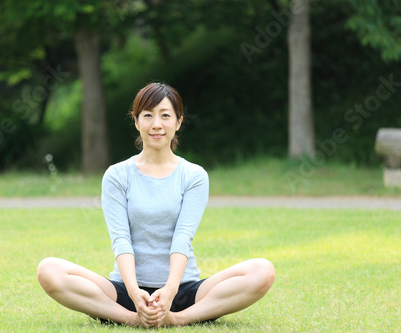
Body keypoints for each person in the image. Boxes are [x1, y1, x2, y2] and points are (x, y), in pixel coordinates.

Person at [37, 82, 275, 328]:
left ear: (178, 122)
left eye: (165, 116)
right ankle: (131, 319)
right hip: (124, 294)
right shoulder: (117, 175)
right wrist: (132, 291)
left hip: (183, 291)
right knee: (49, 269)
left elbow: (182, 237)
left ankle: (177, 320)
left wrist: (170, 291)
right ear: (137, 121)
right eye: (148, 115)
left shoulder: (194, 176)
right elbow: (121, 239)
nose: (157, 124)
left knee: (262, 270)